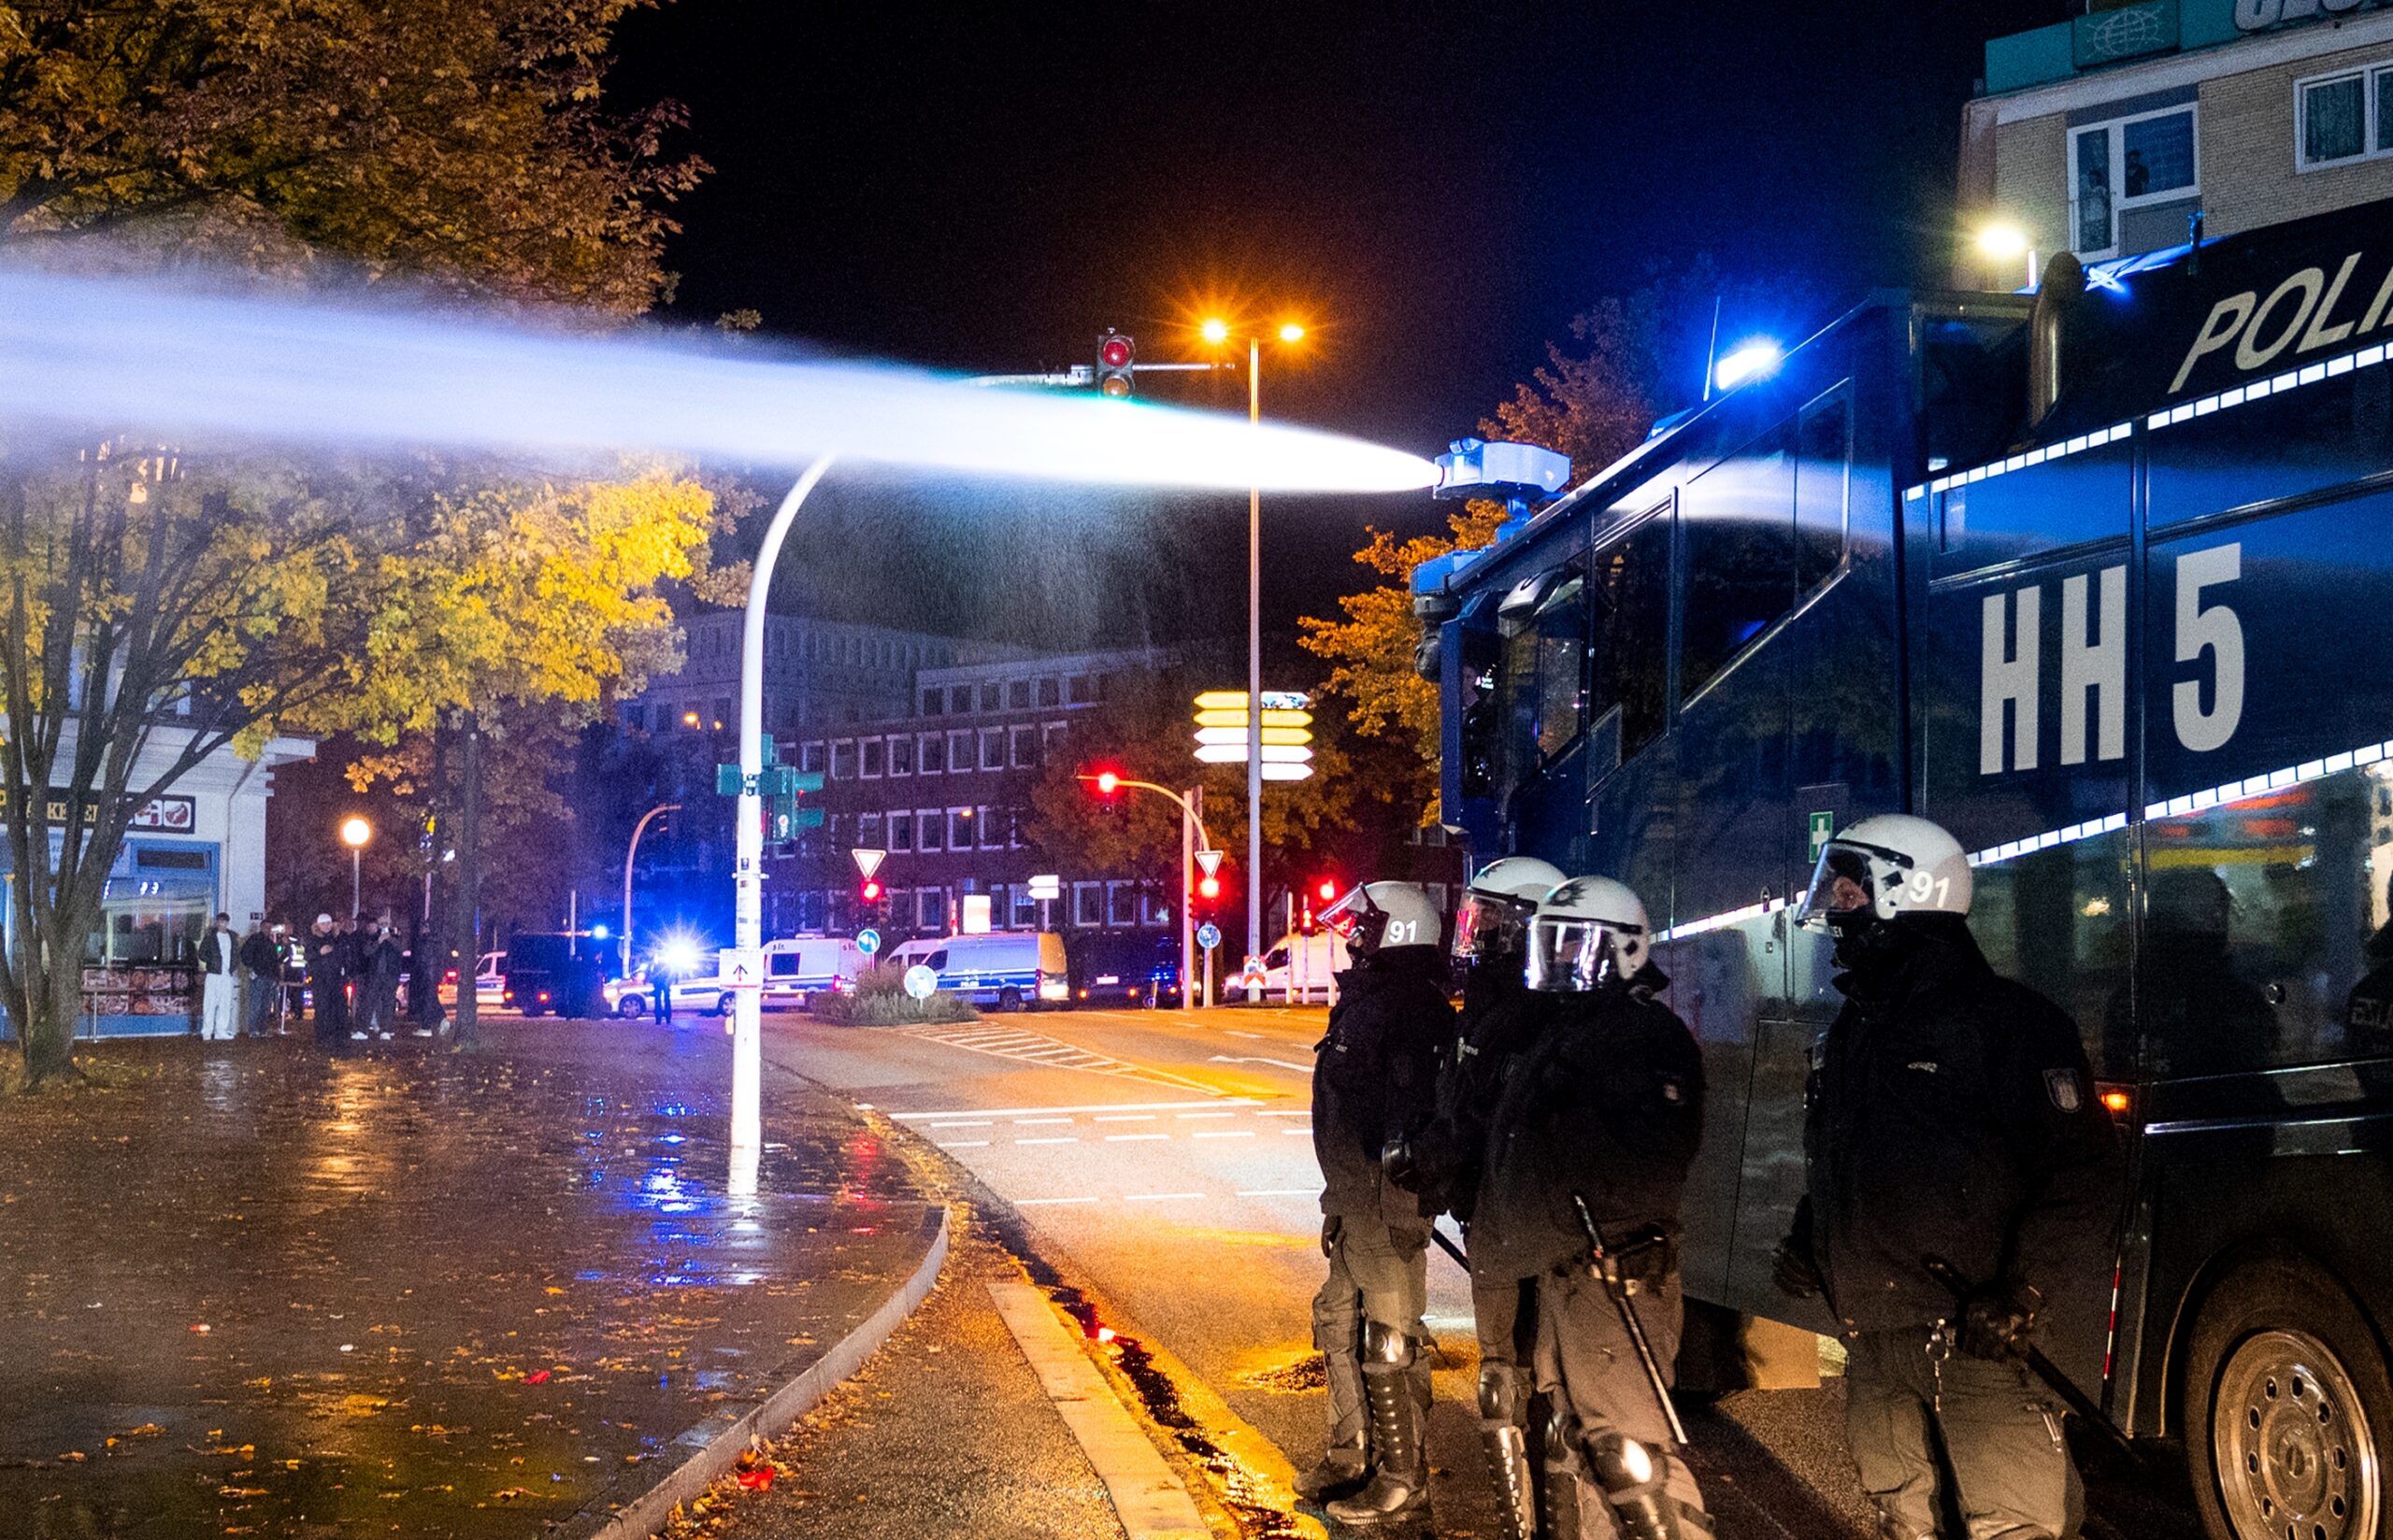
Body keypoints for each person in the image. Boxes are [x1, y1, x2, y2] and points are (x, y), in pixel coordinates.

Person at [1774, 814, 2123, 1540]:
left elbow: (2084, 1175)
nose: (1837, 914)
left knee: (2014, 1527)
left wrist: (2024, 1291)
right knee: (1904, 1521)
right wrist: (1815, 1237)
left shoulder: (2011, 1026)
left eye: (1848, 893)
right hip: (1875, 1343)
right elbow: (1845, 1152)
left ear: (1909, 889)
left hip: (1979, 1346)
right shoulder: (1856, 1030)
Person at [1473, 877, 1710, 1540]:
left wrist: (1597, 1217)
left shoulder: (1643, 1035)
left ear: (1623, 950)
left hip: (1615, 1271)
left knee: (1629, 1455)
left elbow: (1656, 1155)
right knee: (1581, 1445)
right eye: (1554, 942)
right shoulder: (1566, 1030)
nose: (1560, 957)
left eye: (1576, 943)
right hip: (1564, 1268)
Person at [1387, 856, 1563, 1540]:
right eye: (1476, 918)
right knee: (1499, 1377)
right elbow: (1461, 1107)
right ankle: (1519, 1523)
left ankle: (1556, 1520)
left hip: (1536, 1221)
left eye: (1491, 920)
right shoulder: (1485, 1010)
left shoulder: (1543, 1014)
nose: (1477, 933)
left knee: (1547, 1380)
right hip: (1488, 1213)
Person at [1303, 880, 1452, 1526]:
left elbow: (1416, 1118)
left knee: (1391, 1340)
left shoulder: (1413, 1009)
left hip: (1386, 1206)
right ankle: (1350, 1454)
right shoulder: (1368, 1000)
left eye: (1365, 926)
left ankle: (1402, 1478)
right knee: (1337, 1321)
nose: (1354, 936)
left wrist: (1397, 1196)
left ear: (1398, 930)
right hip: (1354, 1199)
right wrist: (1340, 1199)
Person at [307, 913, 349, 1046]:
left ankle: (338, 1034)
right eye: (323, 923)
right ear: (318, 925)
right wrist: (319, 953)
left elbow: (344, 955)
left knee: (338, 1007)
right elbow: (308, 956)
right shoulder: (312, 940)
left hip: (336, 979)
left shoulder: (337, 938)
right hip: (320, 979)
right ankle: (322, 1035)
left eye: (329, 923)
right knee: (322, 1007)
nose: (327, 926)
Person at [199, 912, 240, 1041]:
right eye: (221, 922)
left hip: (226, 974)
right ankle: (207, 1031)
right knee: (210, 1003)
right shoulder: (210, 937)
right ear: (217, 922)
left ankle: (220, 1031)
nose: (223, 925)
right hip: (214, 973)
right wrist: (212, 962)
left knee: (225, 1003)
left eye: (225, 922)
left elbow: (236, 954)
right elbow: (202, 953)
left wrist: (232, 966)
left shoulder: (232, 937)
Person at [239, 920, 285, 1038]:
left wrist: (276, 977)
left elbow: (275, 961)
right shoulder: (255, 940)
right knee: (257, 1004)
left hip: (268, 976)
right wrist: (253, 968)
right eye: (266, 927)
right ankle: (254, 1030)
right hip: (260, 976)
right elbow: (245, 954)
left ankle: (262, 1030)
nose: (268, 929)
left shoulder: (270, 943)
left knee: (265, 1005)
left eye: (270, 927)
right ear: (261, 927)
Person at [360, 918, 403, 1040]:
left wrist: (389, 938)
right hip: (375, 975)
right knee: (369, 1001)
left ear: (390, 924)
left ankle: (386, 1030)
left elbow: (400, 948)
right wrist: (379, 941)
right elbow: (367, 951)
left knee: (388, 1002)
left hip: (391, 974)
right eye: (381, 924)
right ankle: (364, 1029)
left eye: (386, 924)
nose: (383, 926)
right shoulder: (373, 937)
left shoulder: (396, 936)